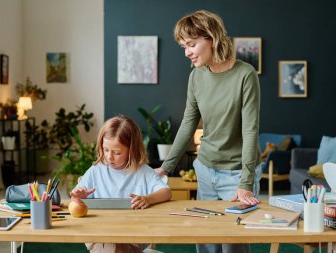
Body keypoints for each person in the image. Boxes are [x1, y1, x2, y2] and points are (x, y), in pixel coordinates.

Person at [154, 10, 262, 253]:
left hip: (236, 175)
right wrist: (166, 166)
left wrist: (246, 182)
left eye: (191, 44)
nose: (187, 52)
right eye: (183, 46)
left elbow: (250, 130)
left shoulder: (245, 74)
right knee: (206, 241)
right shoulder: (196, 77)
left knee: (232, 245)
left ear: (211, 38)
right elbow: (188, 123)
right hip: (205, 169)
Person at [70, 115, 172, 253]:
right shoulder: (96, 170)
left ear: (132, 150)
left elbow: (166, 192)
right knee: (115, 248)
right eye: (106, 150)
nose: (109, 157)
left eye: (117, 152)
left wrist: (148, 198)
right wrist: (79, 197)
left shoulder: (143, 171)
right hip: (100, 234)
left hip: (133, 234)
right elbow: (74, 201)